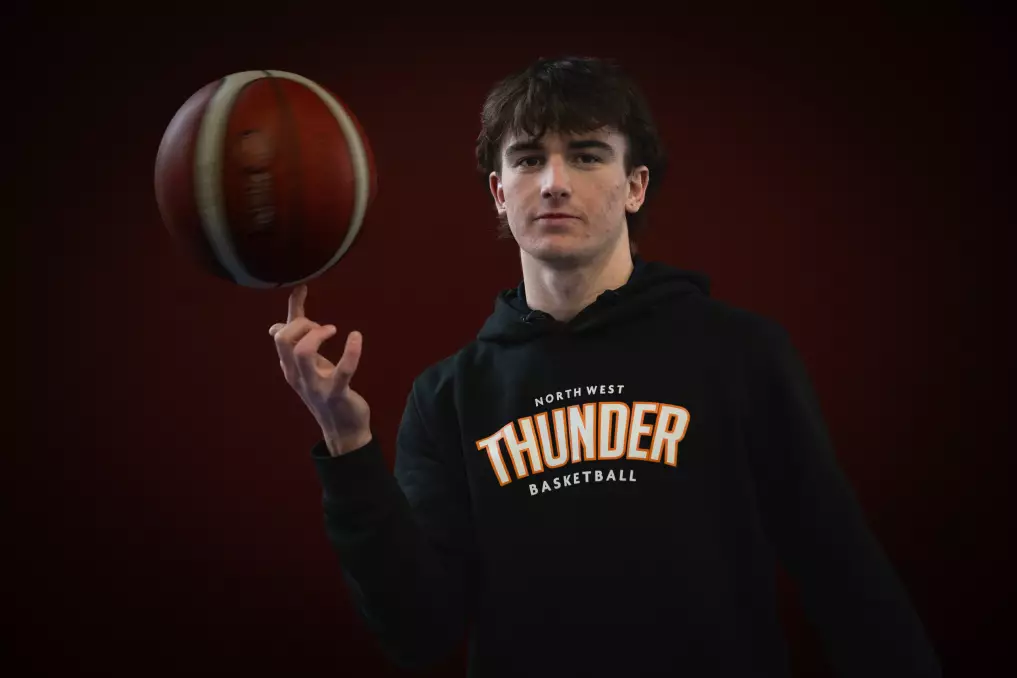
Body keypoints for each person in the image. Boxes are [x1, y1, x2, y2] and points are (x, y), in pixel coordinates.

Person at [269, 56, 941, 677]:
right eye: (529, 159)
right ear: (499, 192)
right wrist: (348, 446)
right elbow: (418, 632)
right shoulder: (449, 396)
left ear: (634, 186)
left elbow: (844, 575)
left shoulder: (738, 355)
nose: (554, 183)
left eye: (586, 155)